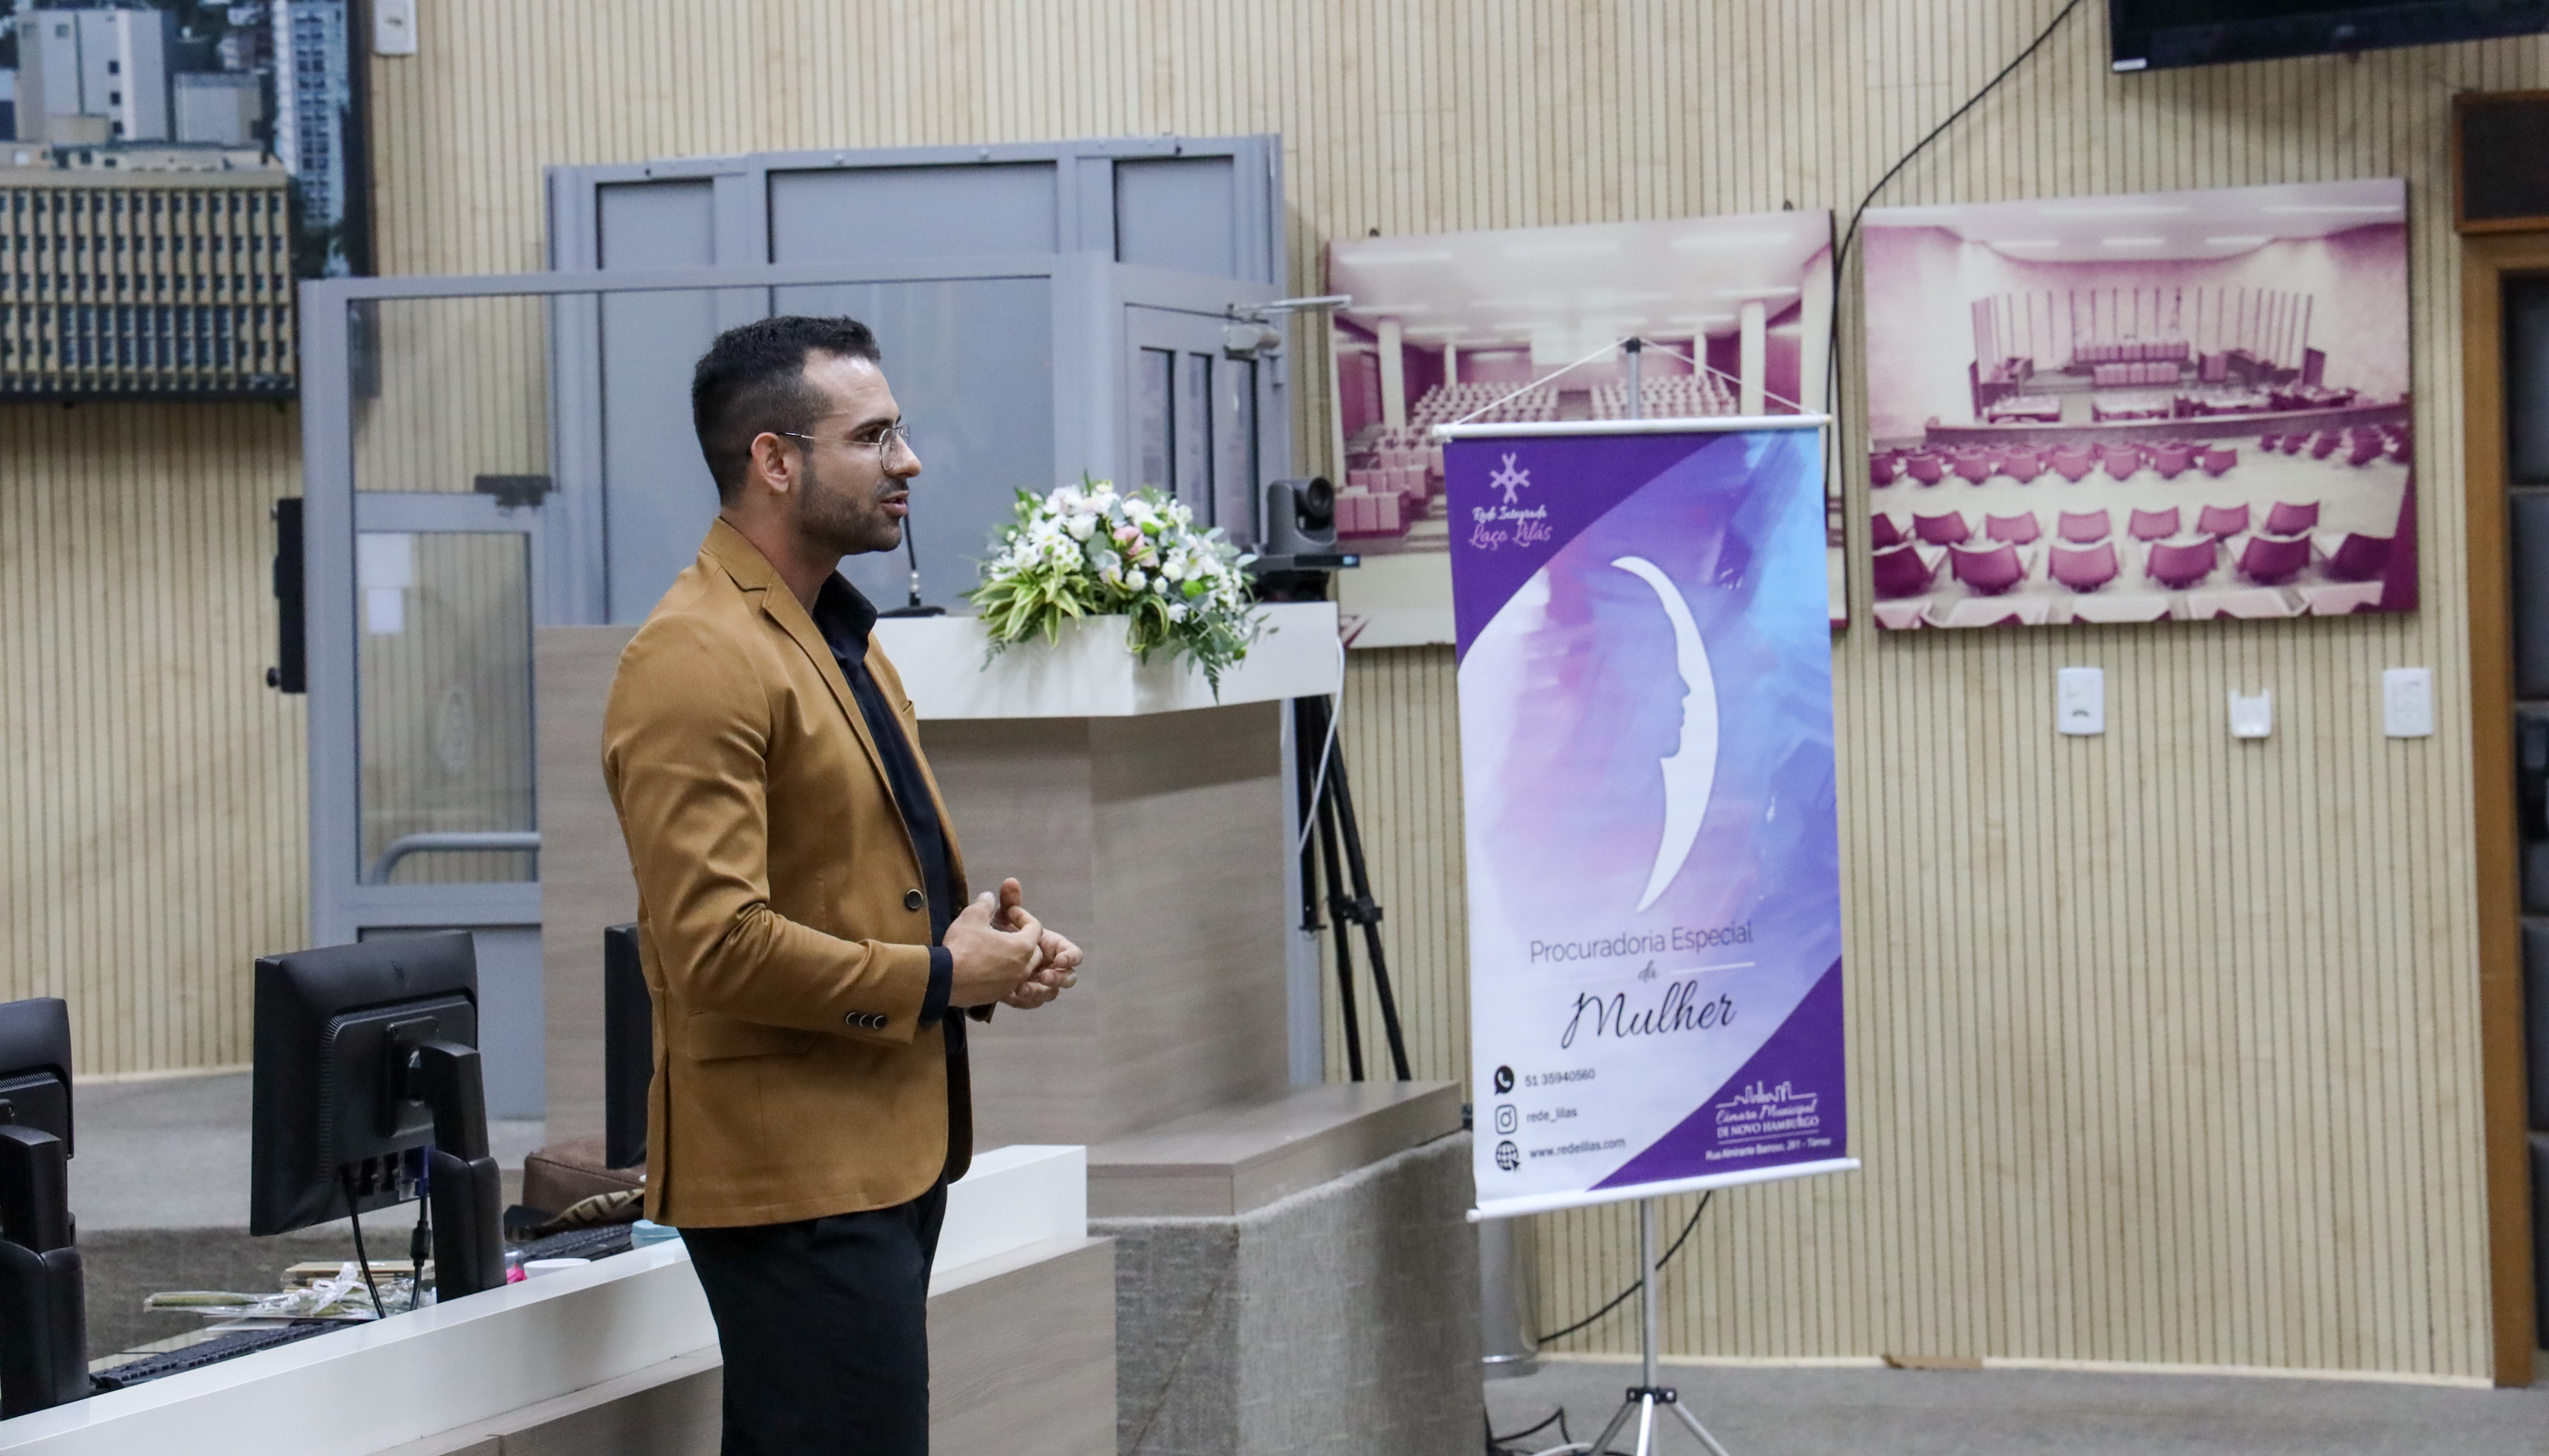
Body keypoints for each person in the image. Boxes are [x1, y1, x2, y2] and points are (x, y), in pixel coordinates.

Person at [602, 314, 1082, 1455]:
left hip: (873, 1159)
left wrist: (978, 949)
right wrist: (940, 976)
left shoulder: (831, 634)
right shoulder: (695, 655)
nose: (908, 460)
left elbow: (852, 880)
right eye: (872, 437)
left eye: (897, 432)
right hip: (793, 1181)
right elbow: (717, 946)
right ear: (775, 460)